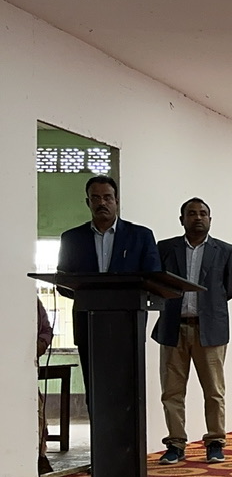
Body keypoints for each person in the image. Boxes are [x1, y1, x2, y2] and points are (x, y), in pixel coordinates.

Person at [56, 175, 161, 417]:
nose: (102, 203)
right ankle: (99, 440)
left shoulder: (141, 236)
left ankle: (130, 442)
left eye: (107, 198)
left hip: (128, 324)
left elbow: (153, 278)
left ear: (117, 201)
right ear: (88, 202)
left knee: (128, 392)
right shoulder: (71, 238)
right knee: (95, 392)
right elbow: (63, 282)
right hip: (88, 324)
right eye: (95, 198)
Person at [151, 198, 232, 465]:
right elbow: (156, 282)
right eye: (191, 213)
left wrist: (208, 307)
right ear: (182, 220)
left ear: (210, 219)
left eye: (203, 213)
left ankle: (215, 442)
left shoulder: (225, 251)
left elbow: (231, 288)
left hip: (209, 330)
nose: (198, 217)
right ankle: (175, 444)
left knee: (214, 391)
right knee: (171, 392)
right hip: (173, 328)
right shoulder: (165, 249)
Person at [36, 298, 54, 475]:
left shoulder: (31, 300)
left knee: (36, 411)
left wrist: (39, 345)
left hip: (26, 366)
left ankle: (39, 456)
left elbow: (46, 331)